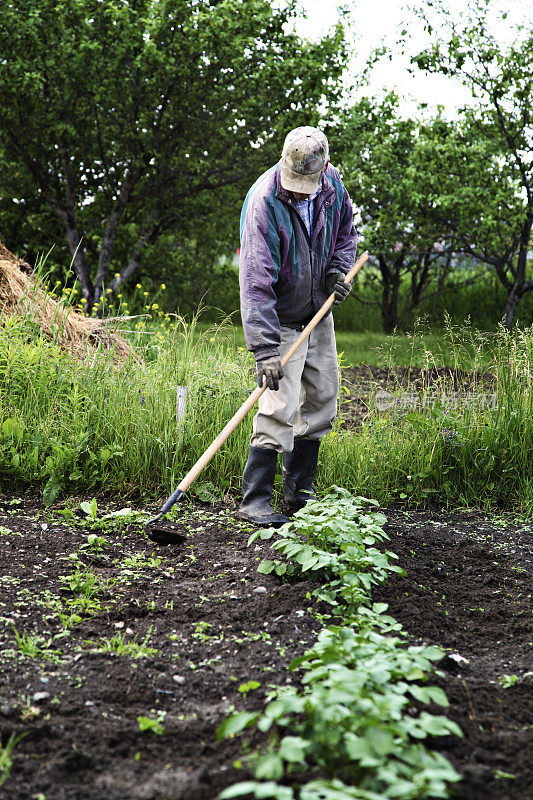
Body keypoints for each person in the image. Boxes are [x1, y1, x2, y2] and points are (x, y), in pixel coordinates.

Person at [238, 125, 357, 526]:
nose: (303, 190)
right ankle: (255, 500)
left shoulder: (333, 186)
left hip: (318, 311)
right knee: (279, 405)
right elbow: (256, 283)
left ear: (323, 168)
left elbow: (345, 235)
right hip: (281, 317)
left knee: (323, 396)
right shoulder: (264, 203)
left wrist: (336, 273)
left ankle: (299, 495)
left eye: (310, 182)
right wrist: (266, 350)